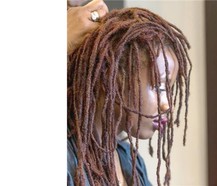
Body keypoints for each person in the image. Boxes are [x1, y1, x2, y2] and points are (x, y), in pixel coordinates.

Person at [67, 7, 192, 186]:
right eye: (158, 86)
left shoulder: (131, 161)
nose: (167, 105)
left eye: (169, 89)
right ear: (110, 78)